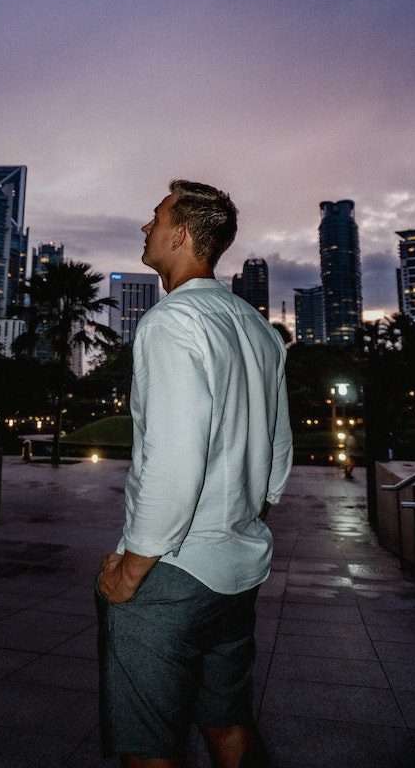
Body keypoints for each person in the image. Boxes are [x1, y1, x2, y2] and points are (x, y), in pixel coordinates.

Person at [96, 179, 293, 768]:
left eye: (154, 218)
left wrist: (134, 568)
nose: (145, 227)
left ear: (180, 234)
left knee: (148, 747)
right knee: (227, 723)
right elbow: (278, 458)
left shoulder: (170, 322)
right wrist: (238, 520)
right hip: (237, 570)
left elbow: (174, 460)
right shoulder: (259, 329)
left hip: (173, 572)